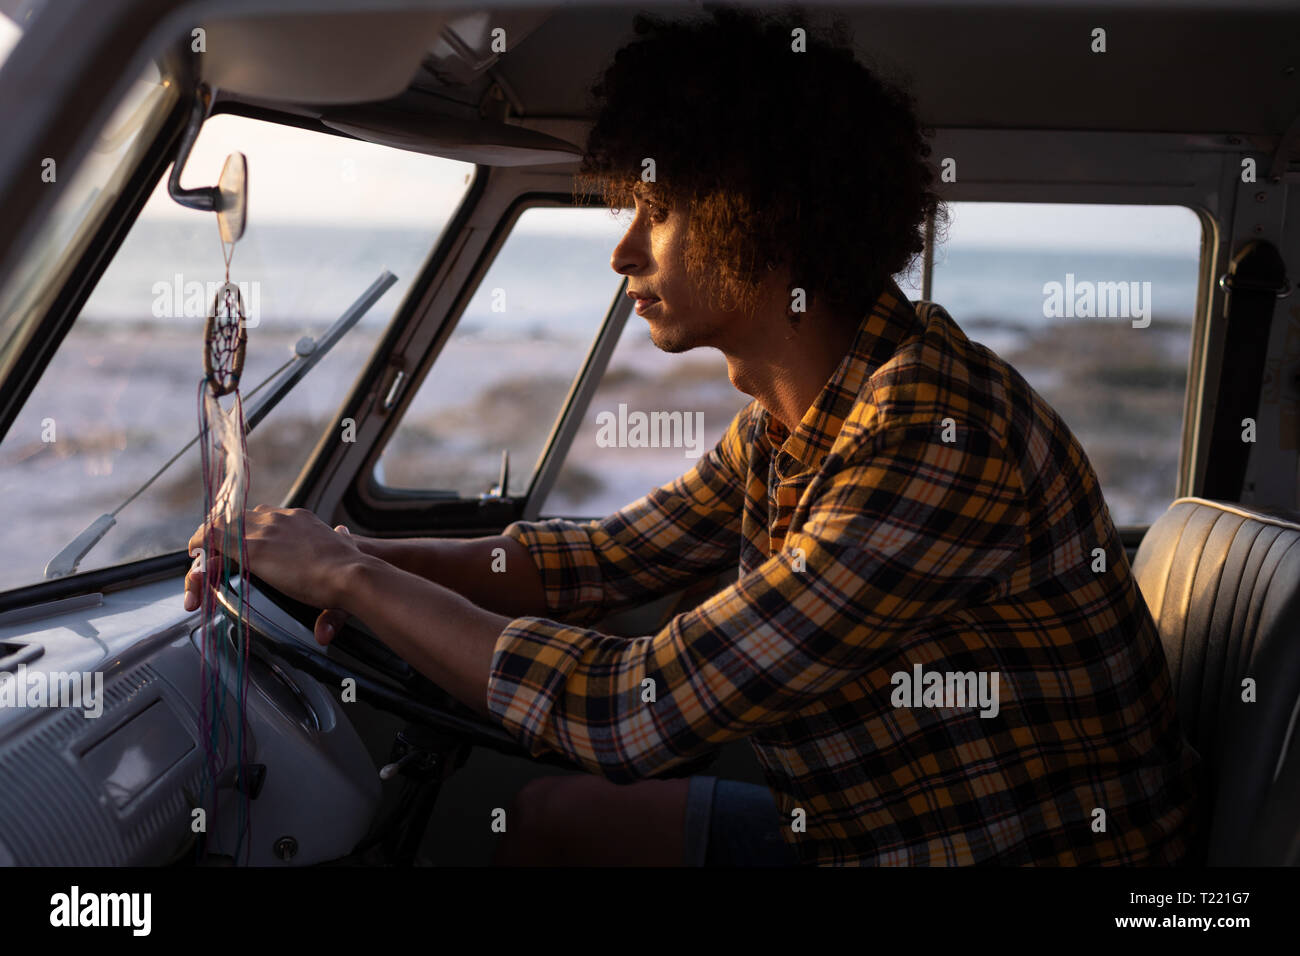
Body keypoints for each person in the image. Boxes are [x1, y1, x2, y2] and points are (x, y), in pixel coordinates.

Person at [185, 6, 1202, 866]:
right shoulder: (797, 421)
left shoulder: (933, 438)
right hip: (862, 830)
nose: (622, 251)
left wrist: (353, 581)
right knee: (548, 821)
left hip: (1002, 851)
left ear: (767, 221)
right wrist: (349, 556)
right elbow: (599, 559)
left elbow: (635, 712)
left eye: (658, 212)